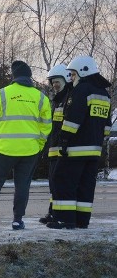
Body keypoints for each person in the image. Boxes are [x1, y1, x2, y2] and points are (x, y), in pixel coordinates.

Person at [0, 60, 51, 230]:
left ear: (14, 76)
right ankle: (17, 220)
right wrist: (39, 145)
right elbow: (46, 126)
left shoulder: (1, 94)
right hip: (29, 150)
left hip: (3, 150)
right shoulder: (41, 97)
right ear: (30, 77)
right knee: (23, 186)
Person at [47, 55, 112, 229]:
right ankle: (82, 221)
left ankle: (64, 219)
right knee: (85, 186)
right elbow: (107, 126)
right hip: (94, 150)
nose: (72, 79)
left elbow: (73, 119)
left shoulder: (81, 90)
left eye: (74, 75)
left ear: (83, 71)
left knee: (62, 181)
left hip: (75, 149)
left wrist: (64, 139)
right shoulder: (104, 94)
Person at [38, 63, 72, 224]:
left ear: (66, 79)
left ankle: (59, 216)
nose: (54, 85)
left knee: (60, 183)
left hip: (63, 150)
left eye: (57, 81)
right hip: (54, 148)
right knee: (53, 184)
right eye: (52, 82)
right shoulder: (57, 100)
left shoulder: (68, 99)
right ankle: (53, 213)